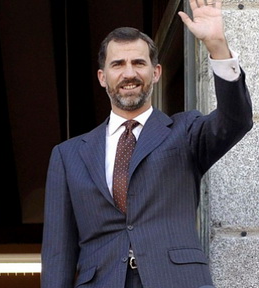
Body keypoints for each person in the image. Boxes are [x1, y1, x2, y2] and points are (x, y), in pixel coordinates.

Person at [41, 0, 253, 288]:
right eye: (118, 64)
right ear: (103, 78)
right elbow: (58, 252)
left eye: (139, 63)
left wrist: (218, 46)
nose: (129, 73)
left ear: (156, 73)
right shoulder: (68, 156)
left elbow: (236, 119)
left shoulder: (186, 132)